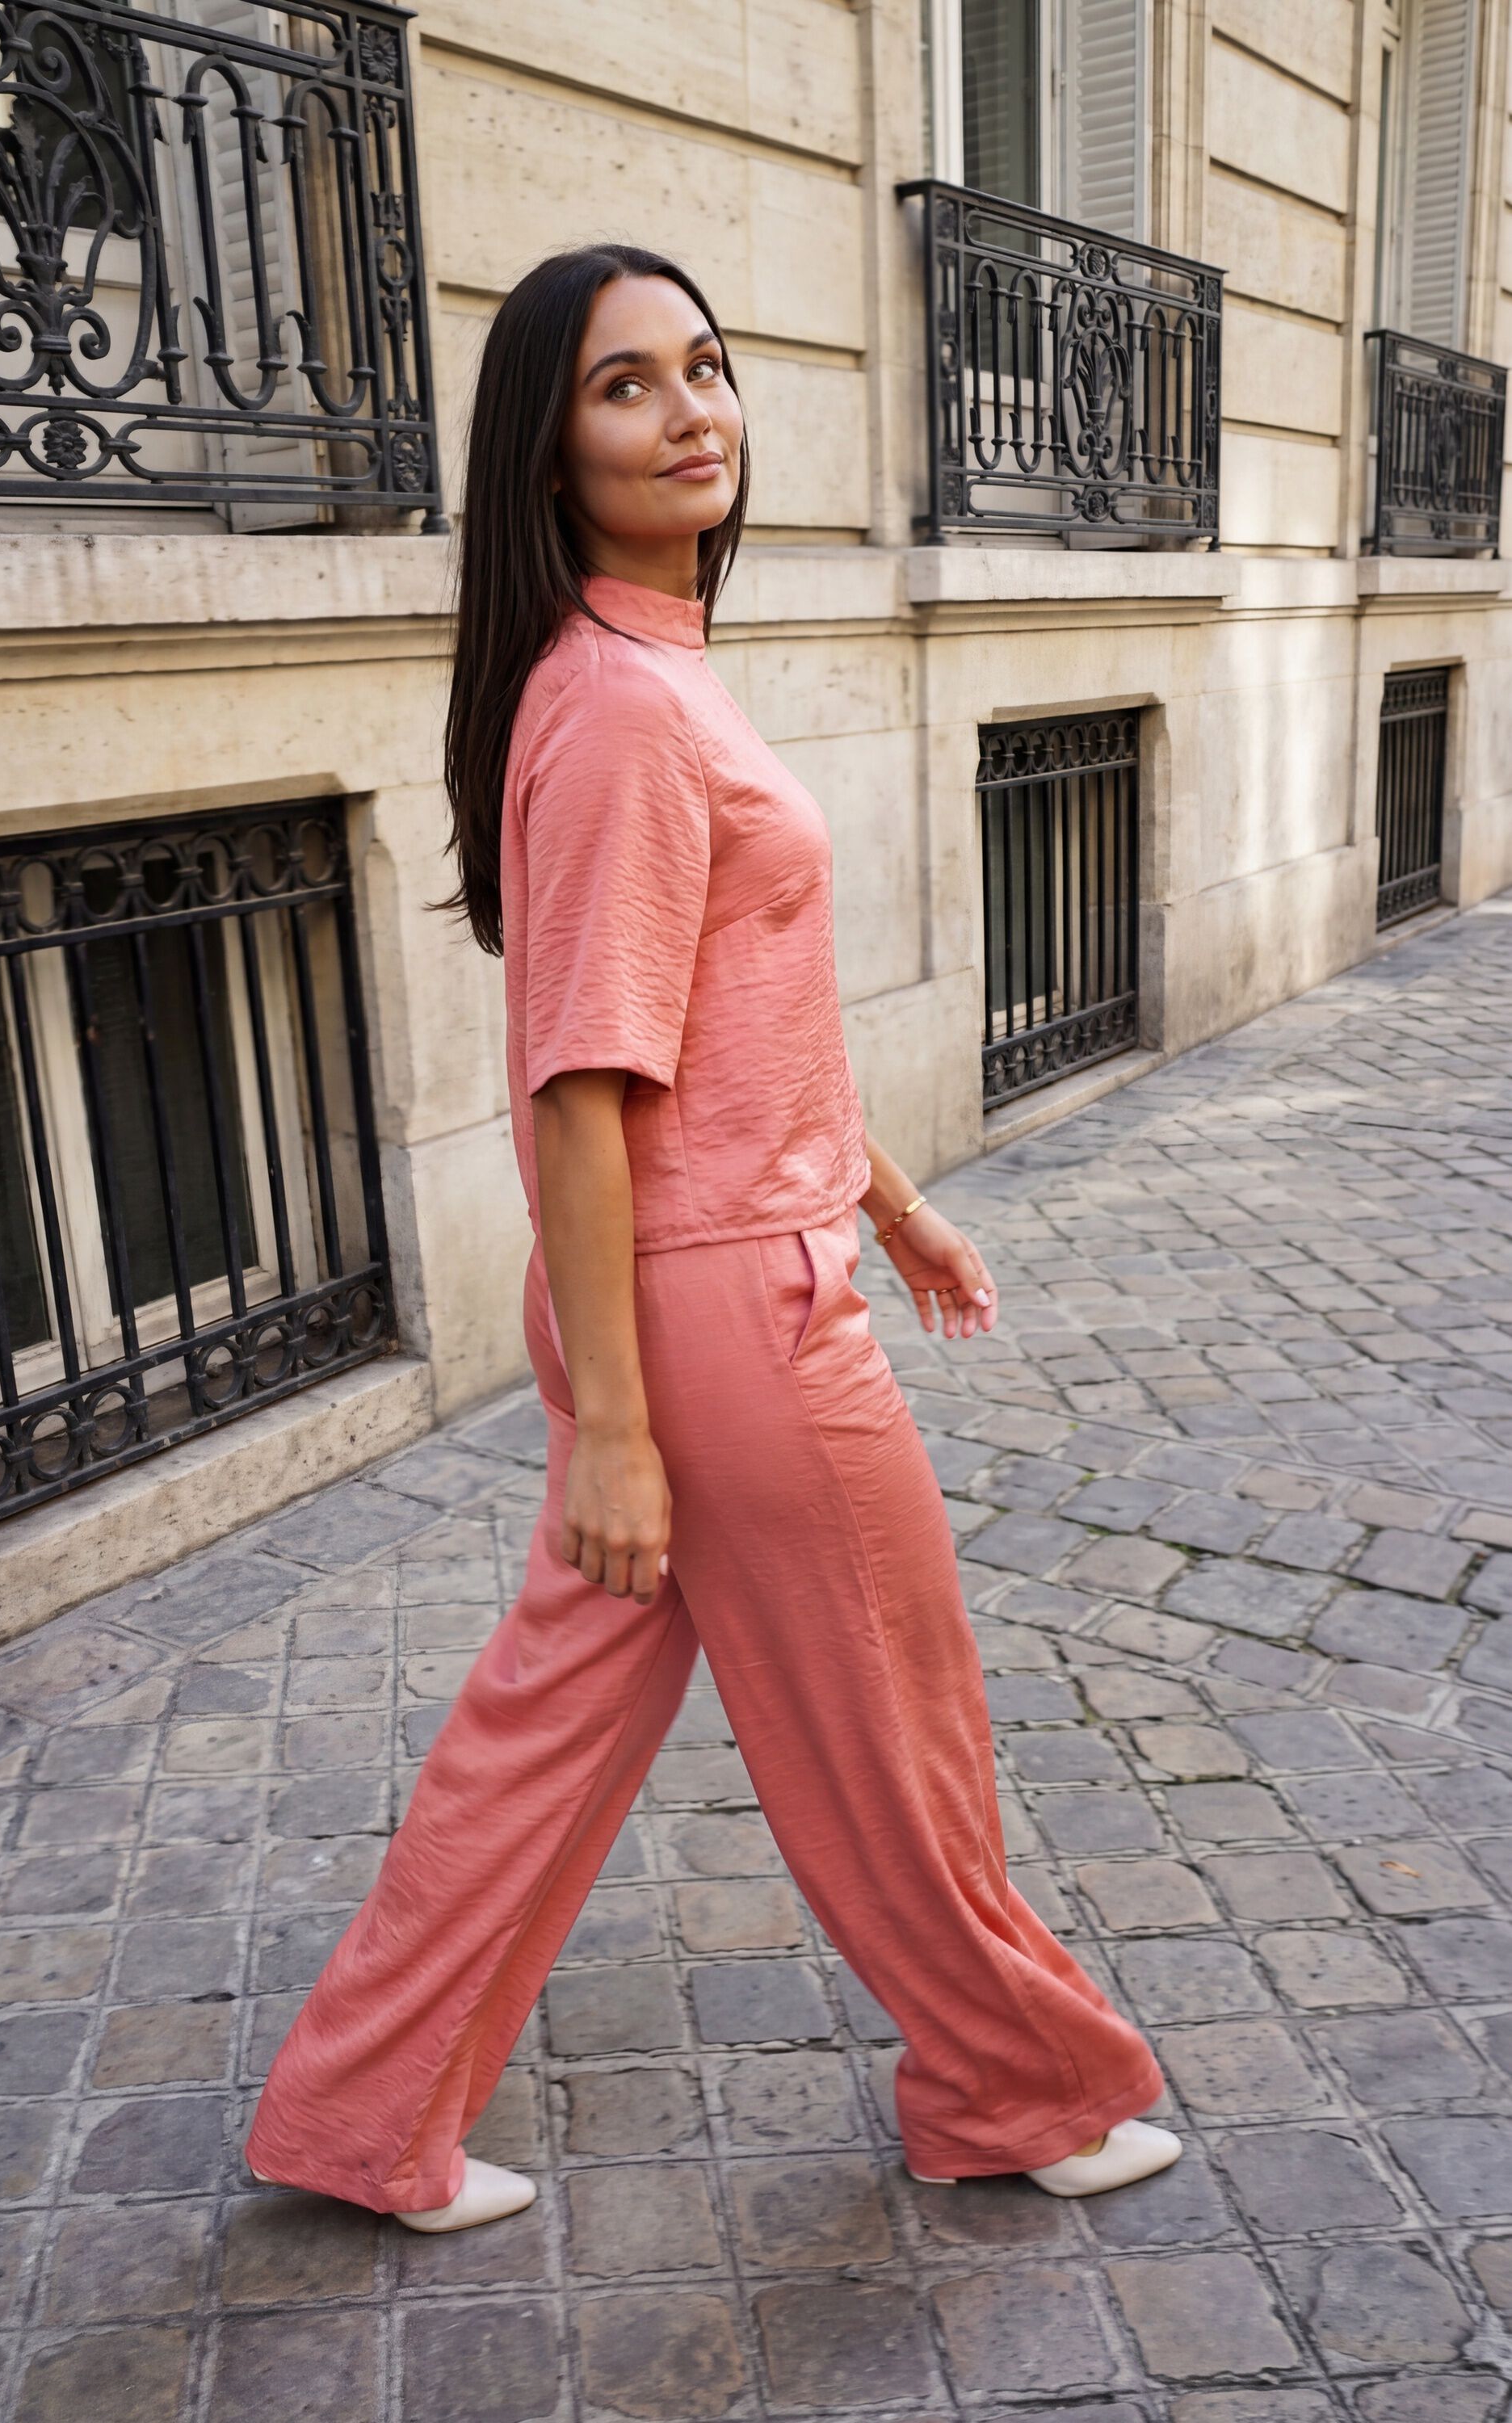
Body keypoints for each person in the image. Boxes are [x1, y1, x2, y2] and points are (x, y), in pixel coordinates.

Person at [244, 243, 1179, 2232]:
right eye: (626, 385)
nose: (692, 413)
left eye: (709, 367)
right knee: (890, 1711)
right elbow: (581, 1090)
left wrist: (894, 1205)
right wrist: (615, 1428)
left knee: (552, 1726)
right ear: (548, 451)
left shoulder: (649, 664)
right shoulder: (613, 708)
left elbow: (742, 1027)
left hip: (718, 1279)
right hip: (722, 1317)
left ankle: (358, 2117)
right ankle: (1010, 2084)